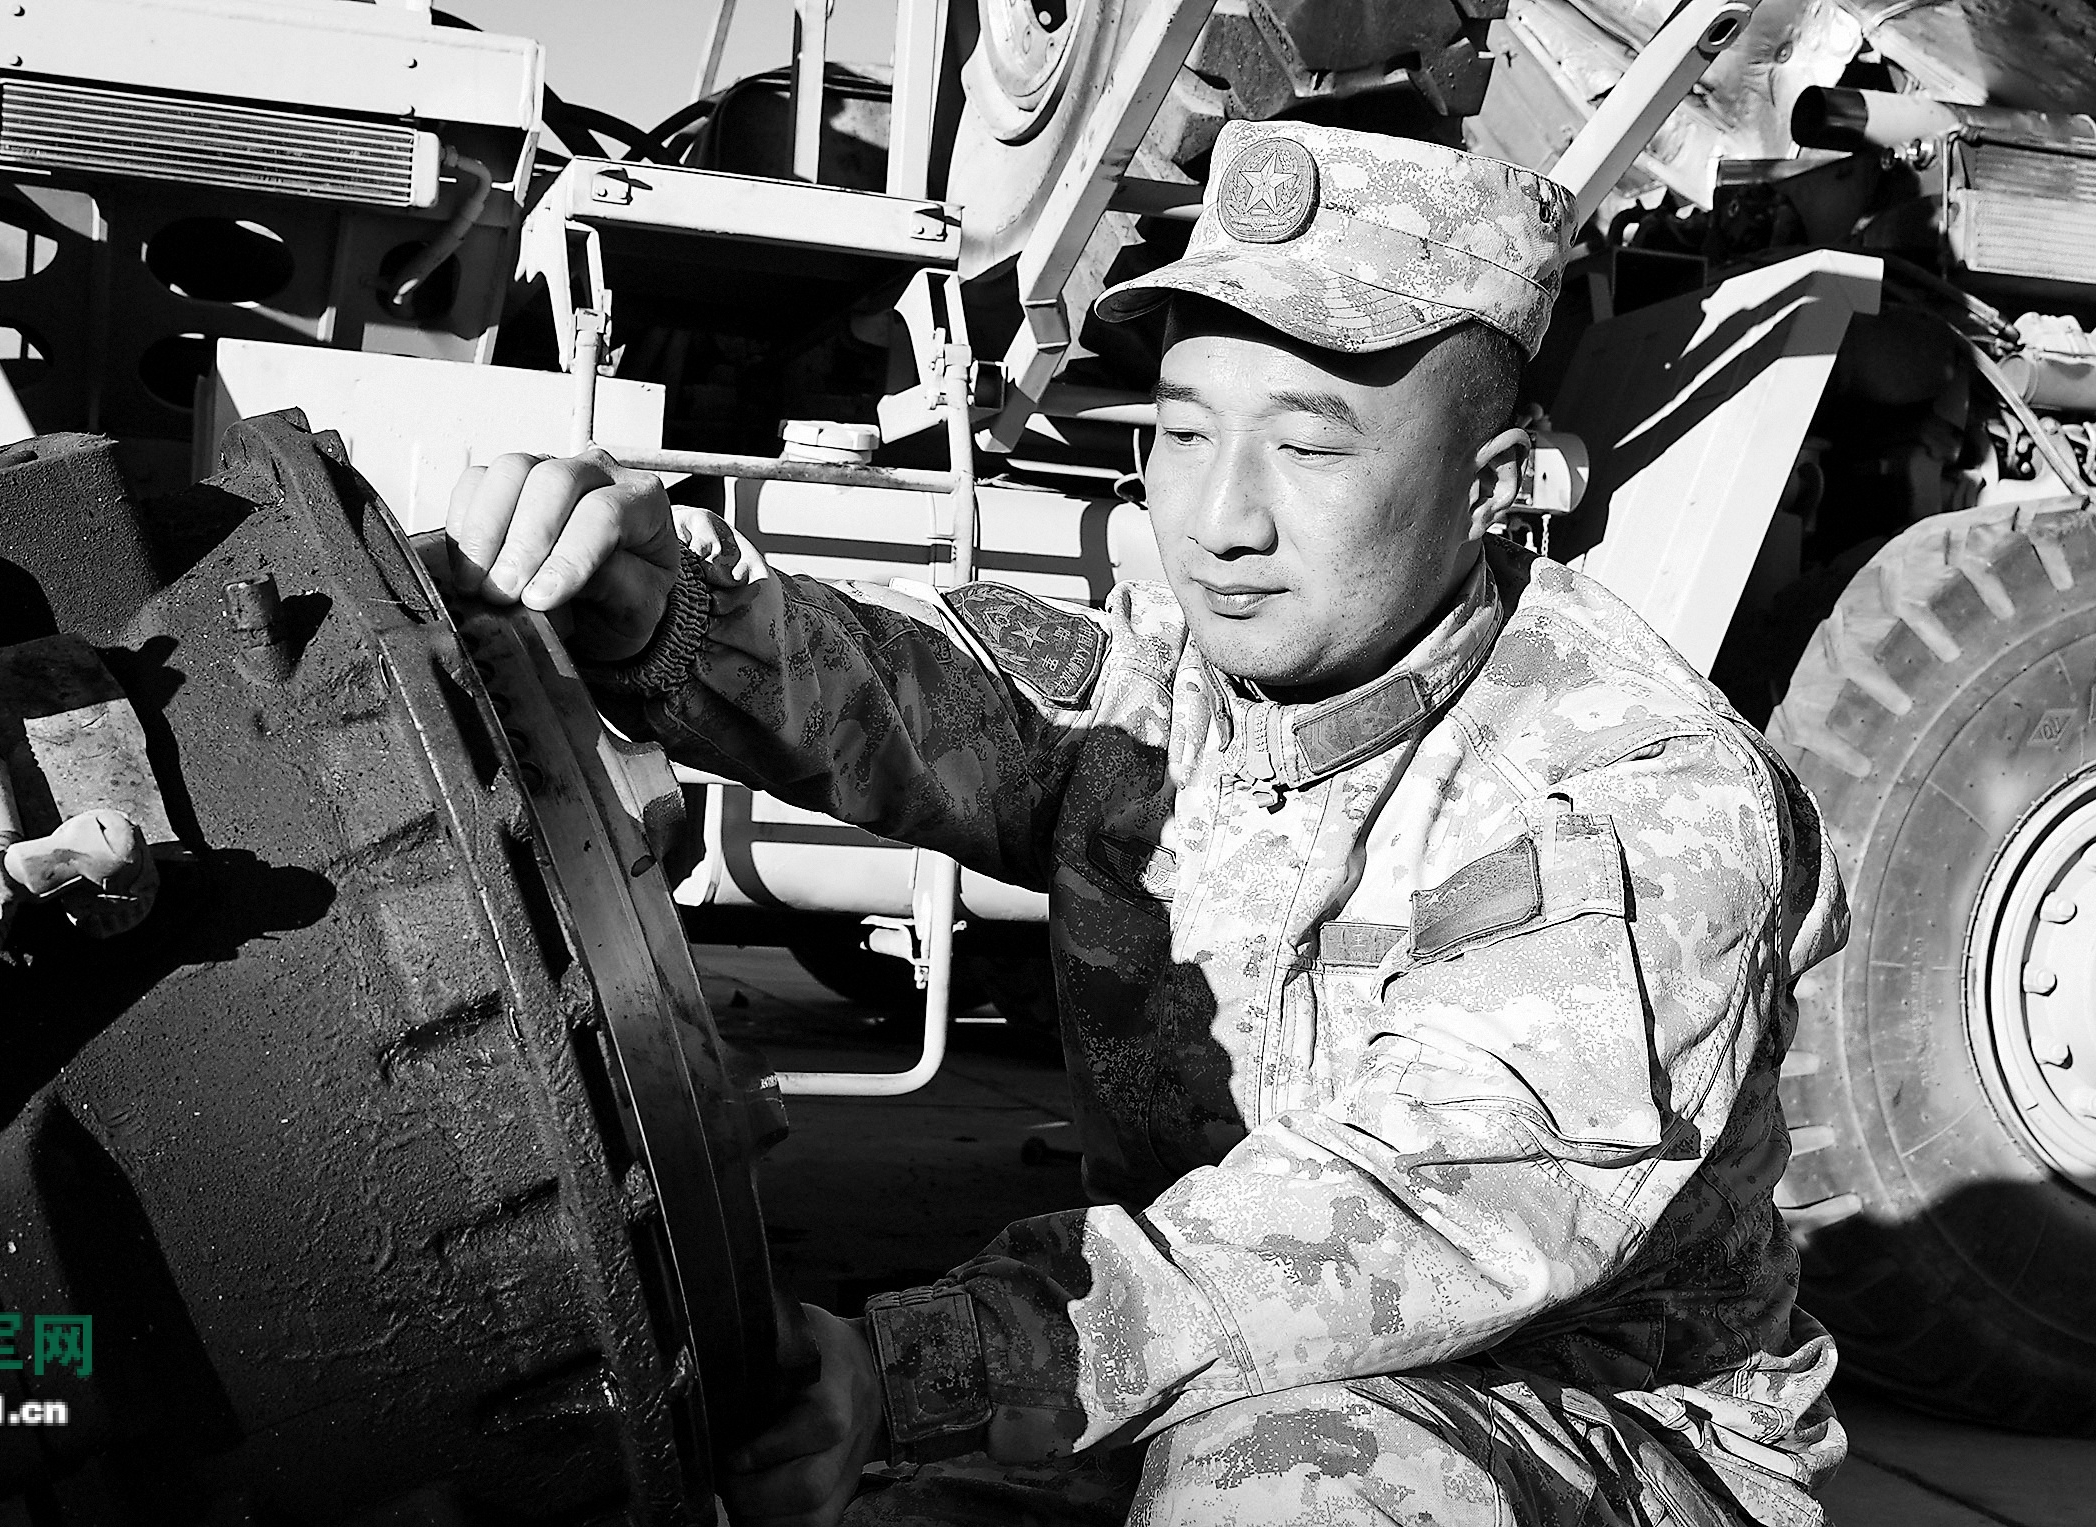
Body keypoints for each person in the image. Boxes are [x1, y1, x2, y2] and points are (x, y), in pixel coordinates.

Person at [442, 120, 1849, 1527]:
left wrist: (923, 1365)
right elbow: (929, 696)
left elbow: (1414, 1210)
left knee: (1295, 1484)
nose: (1219, 519)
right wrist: (662, 614)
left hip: (1598, 1429)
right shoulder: (1190, 683)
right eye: (1179, 434)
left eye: (1306, 444)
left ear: (1491, 487)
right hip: (1199, 1387)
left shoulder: (1635, 788)